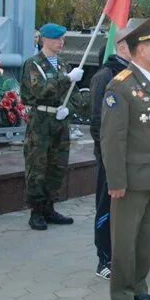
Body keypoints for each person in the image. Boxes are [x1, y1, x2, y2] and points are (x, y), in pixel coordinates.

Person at [100, 13, 150, 300]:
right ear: (141, 48)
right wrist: (116, 181)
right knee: (125, 240)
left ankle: (140, 287)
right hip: (131, 179)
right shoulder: (120, 87)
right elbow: (112, 140)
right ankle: (121, 293)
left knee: (147, 239)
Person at [20, 23, 84, 230]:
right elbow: (40, 90)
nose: (61, 42)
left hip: (59, 119)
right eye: (57, 39)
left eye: (62, 38)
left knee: (57, 164)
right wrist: (67, 79)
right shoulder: (33, 64)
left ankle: (49, 207)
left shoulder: (61, 63)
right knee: (37, 165)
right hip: (40, 120)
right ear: (44, 40)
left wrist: (70, 108)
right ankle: (36, 211)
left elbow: (69, 93)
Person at [89, 27, 132, 279]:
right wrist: (109, 155)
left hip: (131, 158)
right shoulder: (105, 76)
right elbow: (98, 123)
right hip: (110, 157)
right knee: (106, 206)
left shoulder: (133, 75)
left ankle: (121, 255)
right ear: (123, 47)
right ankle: (103, 258)